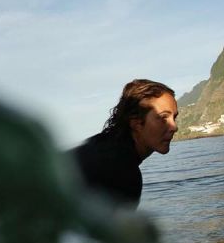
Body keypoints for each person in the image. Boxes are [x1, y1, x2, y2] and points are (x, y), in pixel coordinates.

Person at [71, 79, 178, 208]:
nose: (174, 127)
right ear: (136, 122)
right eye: (163, 117)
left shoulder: (99, 146)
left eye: (174, 117)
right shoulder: (123, 173)